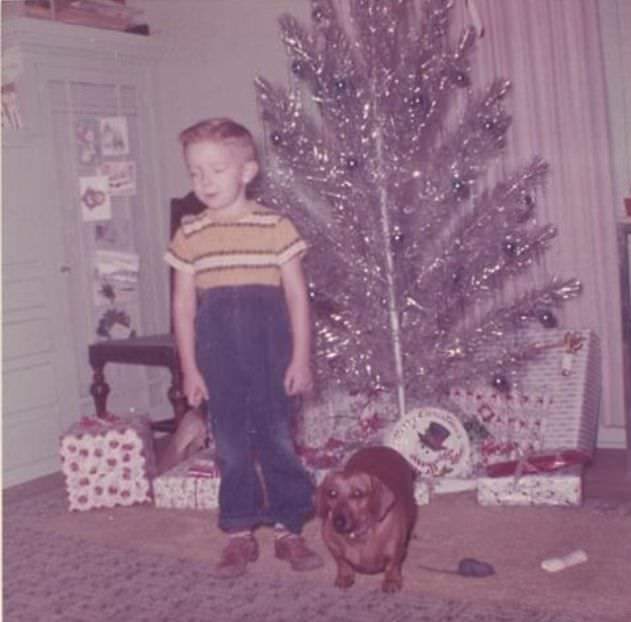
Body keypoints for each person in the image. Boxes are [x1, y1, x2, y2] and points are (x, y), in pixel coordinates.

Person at [164, 118, 323, 579]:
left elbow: (296, 297)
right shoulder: (190, 234)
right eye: (195, 172)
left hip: (271, 353)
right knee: (231, 446)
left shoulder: (275, 226)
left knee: (276, 439)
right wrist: (190, 370)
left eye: (216, 169)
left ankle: (288, 527)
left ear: (247, 171)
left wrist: (300, 358)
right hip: (219, 358)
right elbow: (183, 307)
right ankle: (238, 531)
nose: (204, 182)